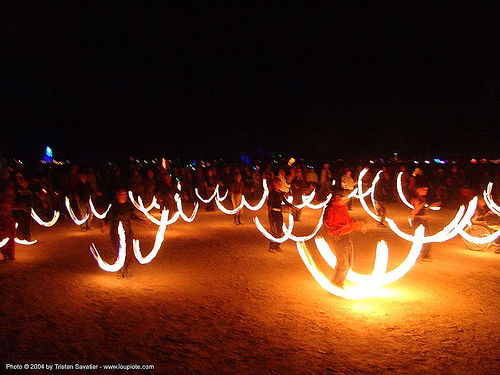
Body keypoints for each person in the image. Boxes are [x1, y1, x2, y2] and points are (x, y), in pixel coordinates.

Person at [324, 191, 366, 288]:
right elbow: (329, 225)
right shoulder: (331, 209)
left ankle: (338, 281)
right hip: (338, 237)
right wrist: (339, 231)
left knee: (349, 262)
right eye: (341, 199)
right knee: (343, 262)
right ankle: (337, 283)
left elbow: (348, 221)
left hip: (346, 236)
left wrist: (357, 226)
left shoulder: (343, 208)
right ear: (336, 199)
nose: (344, 201)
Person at [102, 189, 137, 277]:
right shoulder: (114, 206)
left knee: (128, 250)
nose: (123, 196)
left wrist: (142, 220)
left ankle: (126, 269)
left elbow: (132, 215)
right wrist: (104, 225)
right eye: (121, 194)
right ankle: (119, 269)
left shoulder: (128, 205)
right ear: (117, 196)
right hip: (116, 231)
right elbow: (107, 217)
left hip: (127, 230)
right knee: (117, 250)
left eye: (125, 194)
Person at [410, 185, 440, 261]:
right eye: (424, 189)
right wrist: (423, 204)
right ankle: (416, 257)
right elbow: (415, 211)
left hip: (423, 221)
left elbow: (423, 208)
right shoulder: (415, 199)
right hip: (417, 221)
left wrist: (431, 206)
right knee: (418, 240)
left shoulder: (422, 198)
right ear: (418, 190)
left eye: (426, 190)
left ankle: (425, 255)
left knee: (427, 239)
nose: (426, 191)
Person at [267, 177, 296, 252]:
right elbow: (269, 203)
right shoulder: (272, 192)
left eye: (280, 184)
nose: (279, 185)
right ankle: (271, 247)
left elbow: (285, 202)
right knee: (274, 231)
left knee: (279, 230)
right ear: (274, 184)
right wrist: (270, 213)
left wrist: (293, 207)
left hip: (279, 213)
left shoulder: (280, 193)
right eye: (278, 183)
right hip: (273, 212)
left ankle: (277, 246)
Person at [12, 172, 33, 241]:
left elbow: (30, 195)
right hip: (19, 208)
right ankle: (19, 236)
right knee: (20, 221)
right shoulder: (15, 187)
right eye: (18, 178)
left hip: (26, 207)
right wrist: (19, 206)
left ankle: (26, 236)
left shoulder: (26, 185)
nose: (20, 179)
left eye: (21, 177)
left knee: (26, 222)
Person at [0, 186, 16, 261]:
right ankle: (6, 255)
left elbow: (11, 207)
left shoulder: (10, 199)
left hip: (9, 219)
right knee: (3, 237)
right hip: (3, 219)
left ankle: (9, 255)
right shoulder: (2, 199)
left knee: (10, 237)